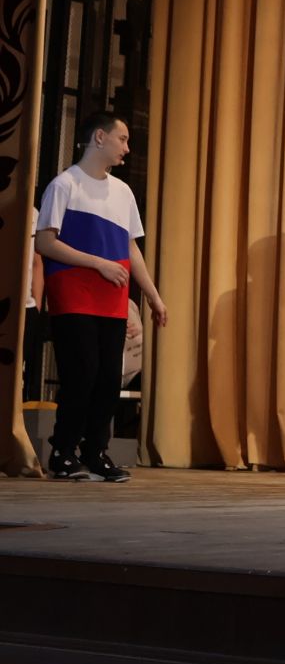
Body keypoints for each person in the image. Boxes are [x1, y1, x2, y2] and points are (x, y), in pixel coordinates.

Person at [34, 111, 167, 481]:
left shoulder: (123, 192)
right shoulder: (65, 185)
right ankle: (62, 452)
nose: (127, 147)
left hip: (111, 297)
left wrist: (153, 297)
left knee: (110, 377)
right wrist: (98, 264)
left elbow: (131, 249)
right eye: (122, 139)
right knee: (82, 373)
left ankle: (95, 452)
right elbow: (45, 242)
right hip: (74, 293)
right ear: (98, 138)